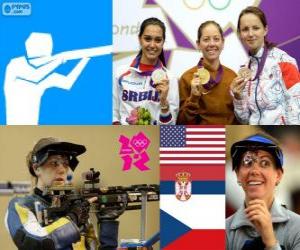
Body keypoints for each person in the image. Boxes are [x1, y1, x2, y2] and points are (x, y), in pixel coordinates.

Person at [5, 137, 119, 250]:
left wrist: (108, 222)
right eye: (54, 163)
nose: (62, 170)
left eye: (65, 164)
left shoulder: (75, 206)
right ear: (36, 169)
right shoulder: (21, 205)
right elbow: (35, 243)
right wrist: (73, 217)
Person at [226, 133, 300, 250]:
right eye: (247, 162)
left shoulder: (297, 228)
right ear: (238, 174)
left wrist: (270, 242)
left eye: (265, 163)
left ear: (278, 175)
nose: (254, 171)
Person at [230, 6, 300, 125]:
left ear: (265, 30)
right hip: (257, 136)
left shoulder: (284, 61)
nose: (250, 34)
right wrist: (238, 97)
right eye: (245, 29)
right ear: (240, 34)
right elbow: (244, 120)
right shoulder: (245, 70)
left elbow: (297, 108)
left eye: (256, 28)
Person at [113, 17, 179, 125]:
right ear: (139, 39)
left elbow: (170, 129)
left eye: (158, 40)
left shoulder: (170, 78)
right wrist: (122, 138)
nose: (152, 45)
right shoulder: (121, 73)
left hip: (155, 139)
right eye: (147, 39)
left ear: (163, 42)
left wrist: (163, 103)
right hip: (124, 139)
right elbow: (113, 113)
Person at [177, 20, 238, 125]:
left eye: (216, 39)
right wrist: (193, 98)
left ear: (223, 43)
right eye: (206, 39)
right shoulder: (187, 78)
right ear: (198, 44)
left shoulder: (232, 76)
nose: (211, 44)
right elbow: (181, 123)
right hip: (201, 138)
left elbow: (239, 119)